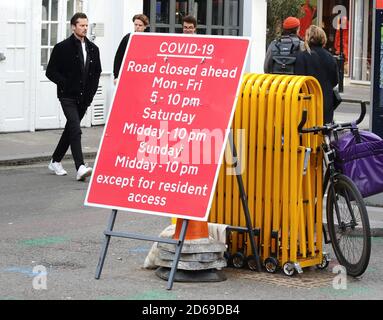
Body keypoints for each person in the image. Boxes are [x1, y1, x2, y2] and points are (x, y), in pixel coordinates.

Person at [46, 13, 102, 181]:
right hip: (67, 96)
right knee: (76, 129)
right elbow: (51, 72)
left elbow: (96, 73)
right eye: (81, 25)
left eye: (86, 25)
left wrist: (91, 95)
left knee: (71, 129)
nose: (84, 28)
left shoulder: (93, 49)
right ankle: (80, 167)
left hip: (84, 98)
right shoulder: (62, 47)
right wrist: (65, 84)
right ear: (73, 27)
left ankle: (55, 161)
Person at [295, 25, 339, 124]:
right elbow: (335, 81)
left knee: (308, 135)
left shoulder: (302, 56)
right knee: (324, 132)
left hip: (308, 102)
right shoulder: (330, 57)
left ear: (308, 38)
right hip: (326, 101)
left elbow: (299, 81)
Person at [113, 14, 149, 84]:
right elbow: (118, 57)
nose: (137, 27)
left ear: (145, 26)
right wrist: (116, 76)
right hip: (127, 73)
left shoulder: (148, 39)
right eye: (135, 25)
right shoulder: (127, 38)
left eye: (140, 25)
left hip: (142, 74)